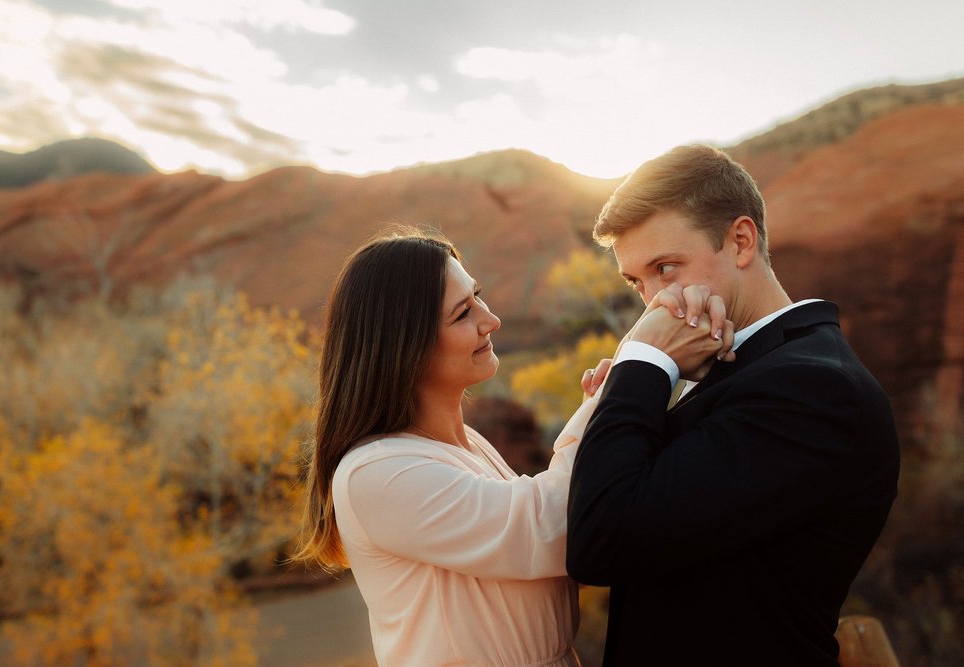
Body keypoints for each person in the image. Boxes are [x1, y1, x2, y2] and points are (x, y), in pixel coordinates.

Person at [292, 228, 724, 666]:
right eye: (463, 313)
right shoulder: (376, 472)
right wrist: (633, 369)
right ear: (404, 344)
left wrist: (610, 402)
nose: (490, 319)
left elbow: (558, 525)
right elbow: (553, 527)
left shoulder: (469, 445)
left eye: (477, 296)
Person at [566, 145, 900, 665]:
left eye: (667, 267)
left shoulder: (813, 388)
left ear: (741, 241)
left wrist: (644, 364)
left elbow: (602, 541)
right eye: (637, 281)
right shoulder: (731, 367)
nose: (653, 300)